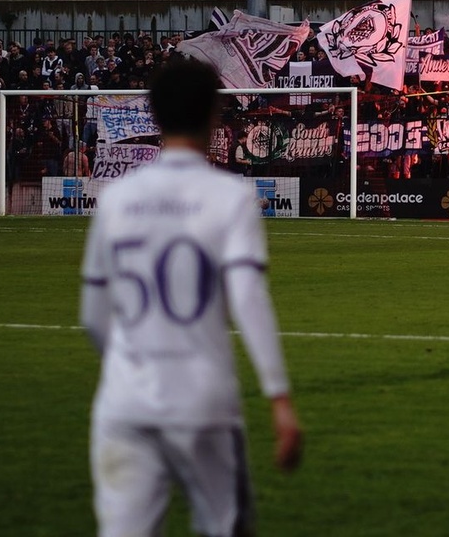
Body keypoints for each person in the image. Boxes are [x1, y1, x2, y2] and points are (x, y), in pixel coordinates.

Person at [79, 57, 303, 537]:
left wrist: (129, 366)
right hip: (203, 401)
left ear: (155, 118)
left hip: (125, 402)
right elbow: (248, 298)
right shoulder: (230, 197)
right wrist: (279, 398)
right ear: (213, 117)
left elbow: (93, 315)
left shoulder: (116, 197)